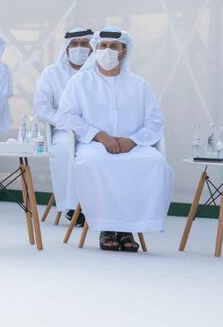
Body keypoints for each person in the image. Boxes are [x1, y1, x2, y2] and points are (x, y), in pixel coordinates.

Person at [56, 27, 173, 252]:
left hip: (134, 145)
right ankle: (107, 228)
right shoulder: (80, 82)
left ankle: (128, 228)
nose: (107, 51)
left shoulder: (139, 85)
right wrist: (99, 135)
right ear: (95, 49)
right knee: (93, 163)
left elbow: (155, 122)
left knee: (155, 163)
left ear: (123, 51)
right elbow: (65, 116)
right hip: (94, 144)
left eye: (113, 46)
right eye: (102, 46)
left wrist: (133, 140)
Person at [32, 27, 93, 225]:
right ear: (66, 48)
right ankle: (72, 207)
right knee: (65, 148)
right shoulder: (51, 73)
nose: (79, 48)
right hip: (64, 130)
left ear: (93, 48)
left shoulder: (100, 72)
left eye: (85, 44)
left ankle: (98, 203)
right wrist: (68, 124)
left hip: (96, 132)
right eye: (74, 44)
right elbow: (41, 108)